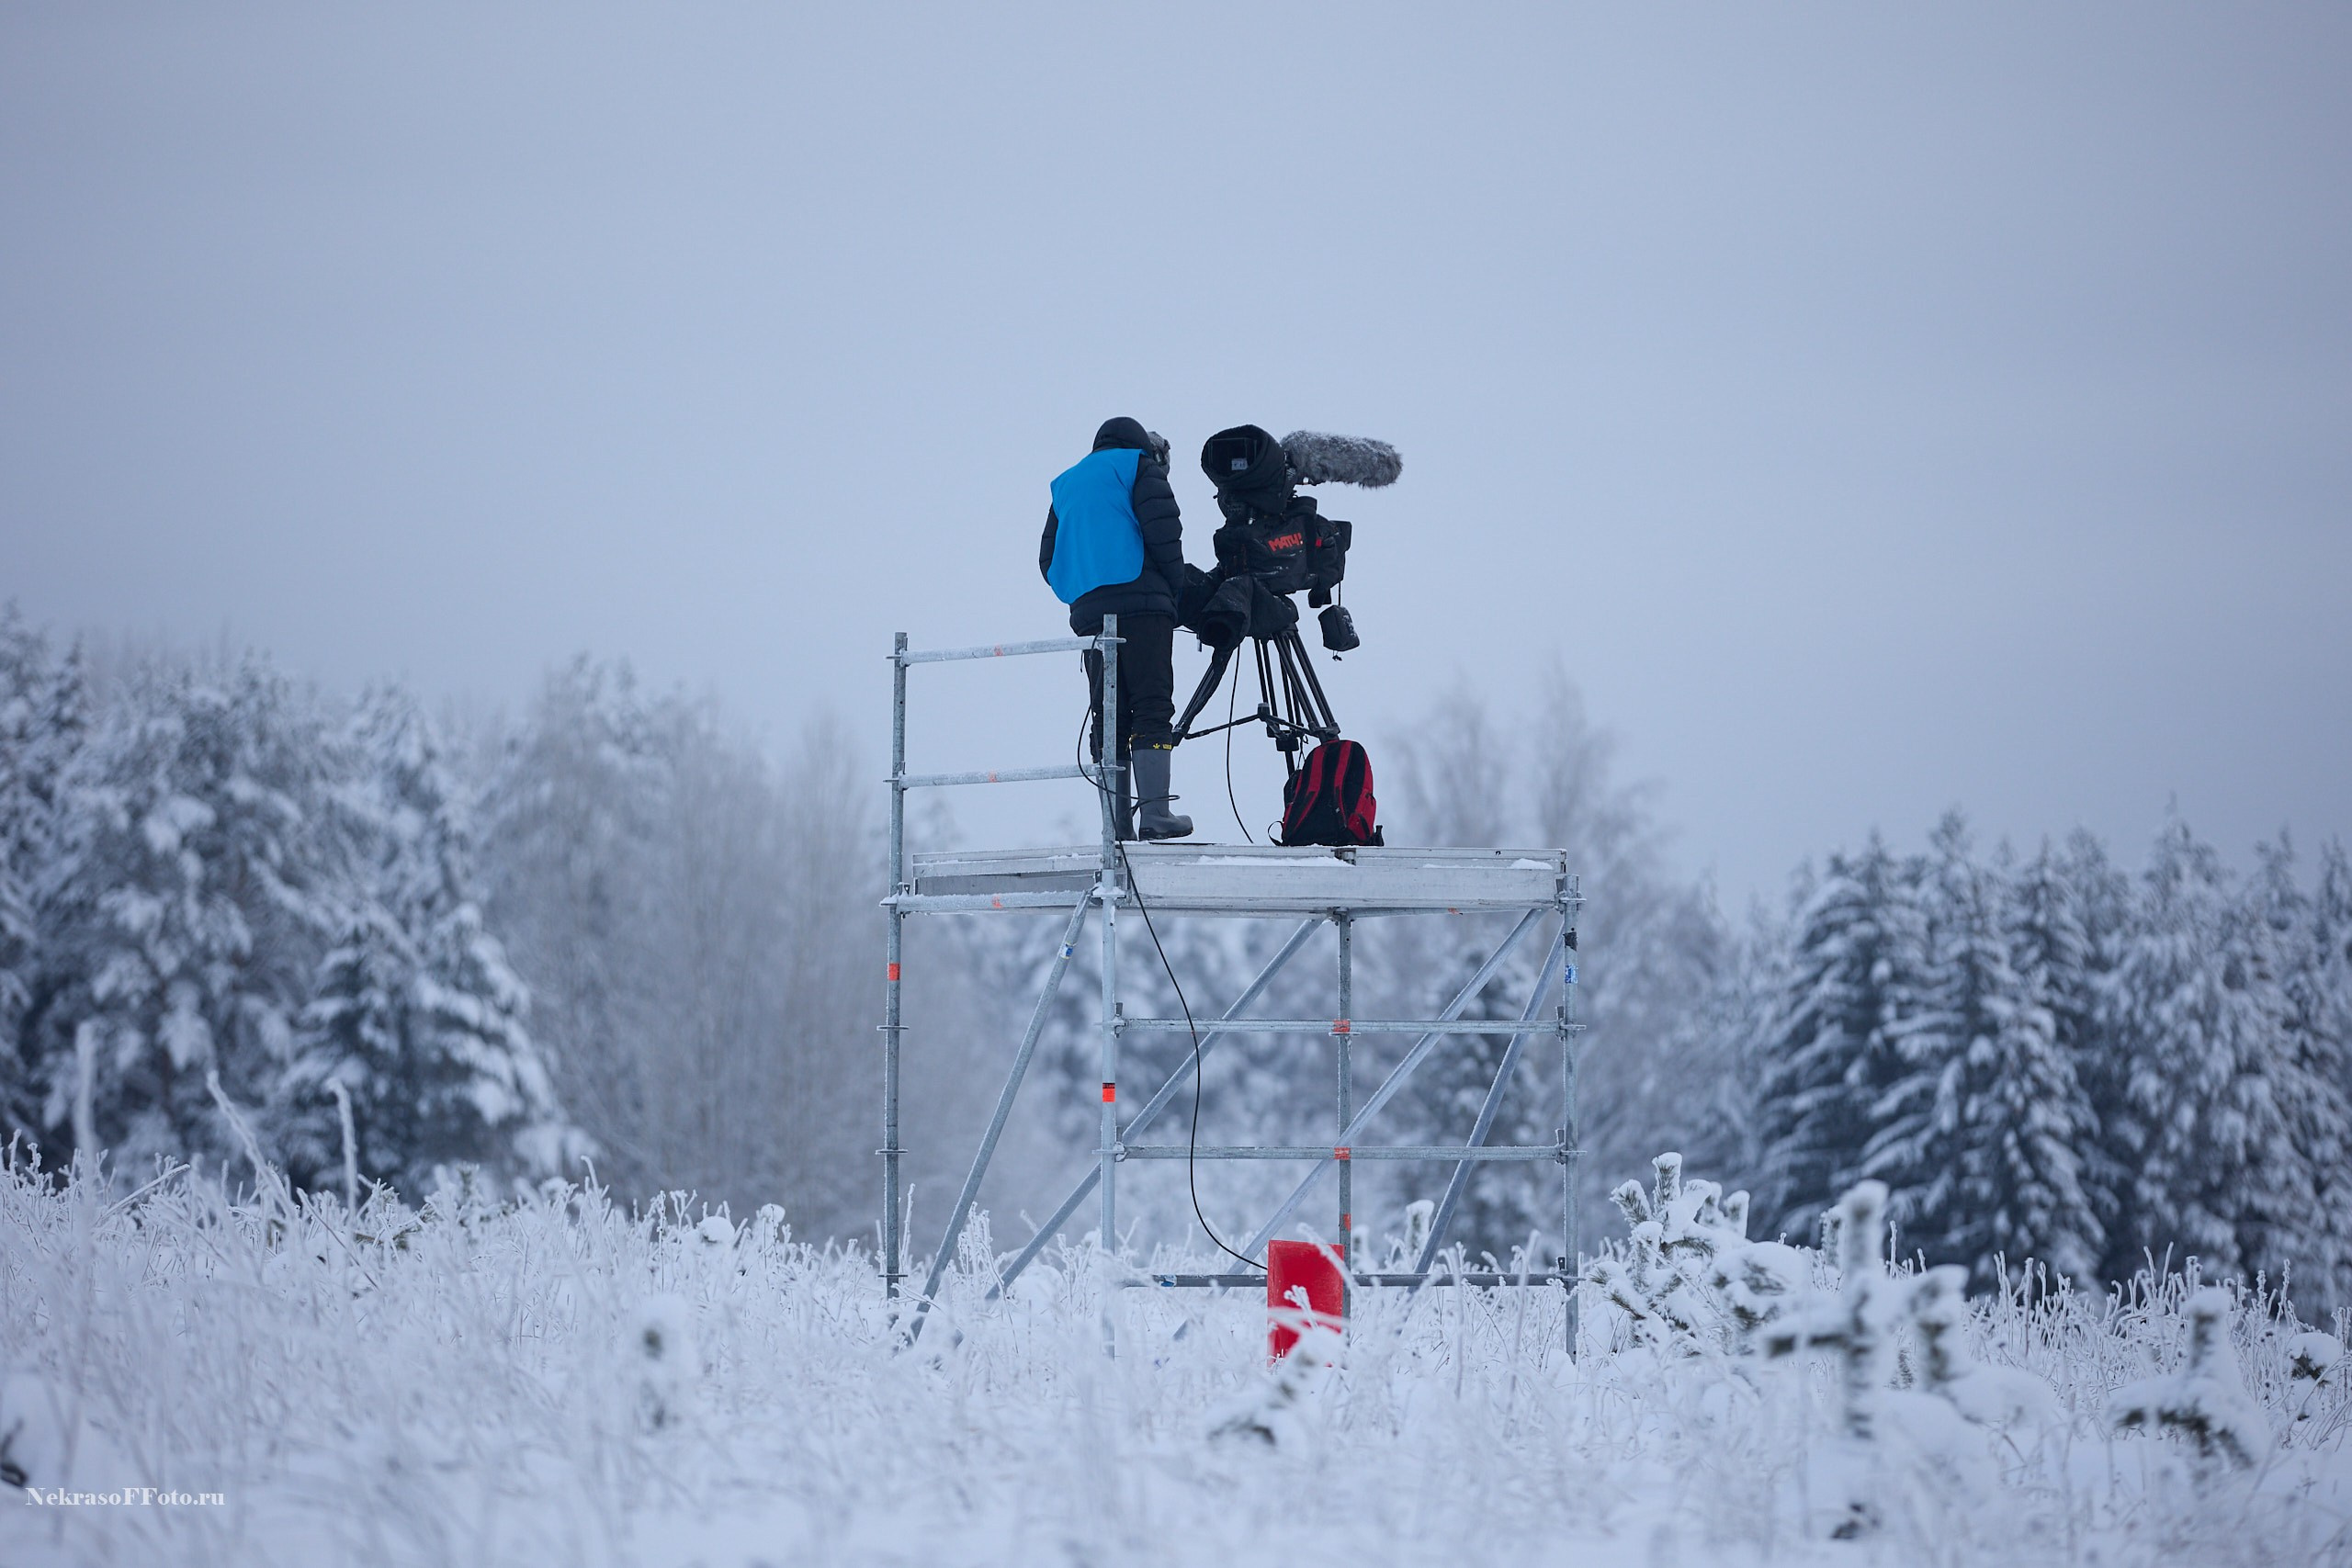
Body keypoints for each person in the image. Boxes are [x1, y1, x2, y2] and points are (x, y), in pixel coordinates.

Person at [1040, 416, 1194, 840]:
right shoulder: (1139, 466)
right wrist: (1173, 590)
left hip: (1091, 615)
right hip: (1144, 605)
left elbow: (1047, 561)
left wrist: (1082, 594)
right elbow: (1165, 534)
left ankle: (1117, 824)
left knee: (1109, 713)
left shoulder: (1066, 483)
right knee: (1151, 704)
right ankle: (1156, 815)